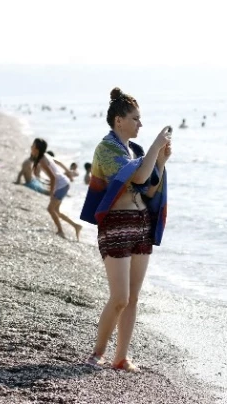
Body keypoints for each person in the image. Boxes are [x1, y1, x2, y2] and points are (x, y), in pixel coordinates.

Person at [80, 87, 170, 373]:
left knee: (132, 299)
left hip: (140, 225)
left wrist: (161, 161)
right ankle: (97, 352)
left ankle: (121, 357)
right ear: (119, 120)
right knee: (119, 297)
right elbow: (138, 174)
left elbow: (149, 187)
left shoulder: (136, 151)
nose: (140, 124)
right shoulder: (106, 149)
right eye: (135, 118)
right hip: (116, 225)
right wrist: (156, 147)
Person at [31, 138, 82, 240]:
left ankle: (61, 231)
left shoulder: (42, 160)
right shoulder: (45, 155)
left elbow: (53, 178)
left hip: (61, 185)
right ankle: (76, 226)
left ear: (37, 148)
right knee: (56, 211)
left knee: (50, 209)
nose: (31, 147)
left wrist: (51, 194)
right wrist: (68, 172)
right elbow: (58, 162)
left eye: (33, 145)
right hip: (64, 183)